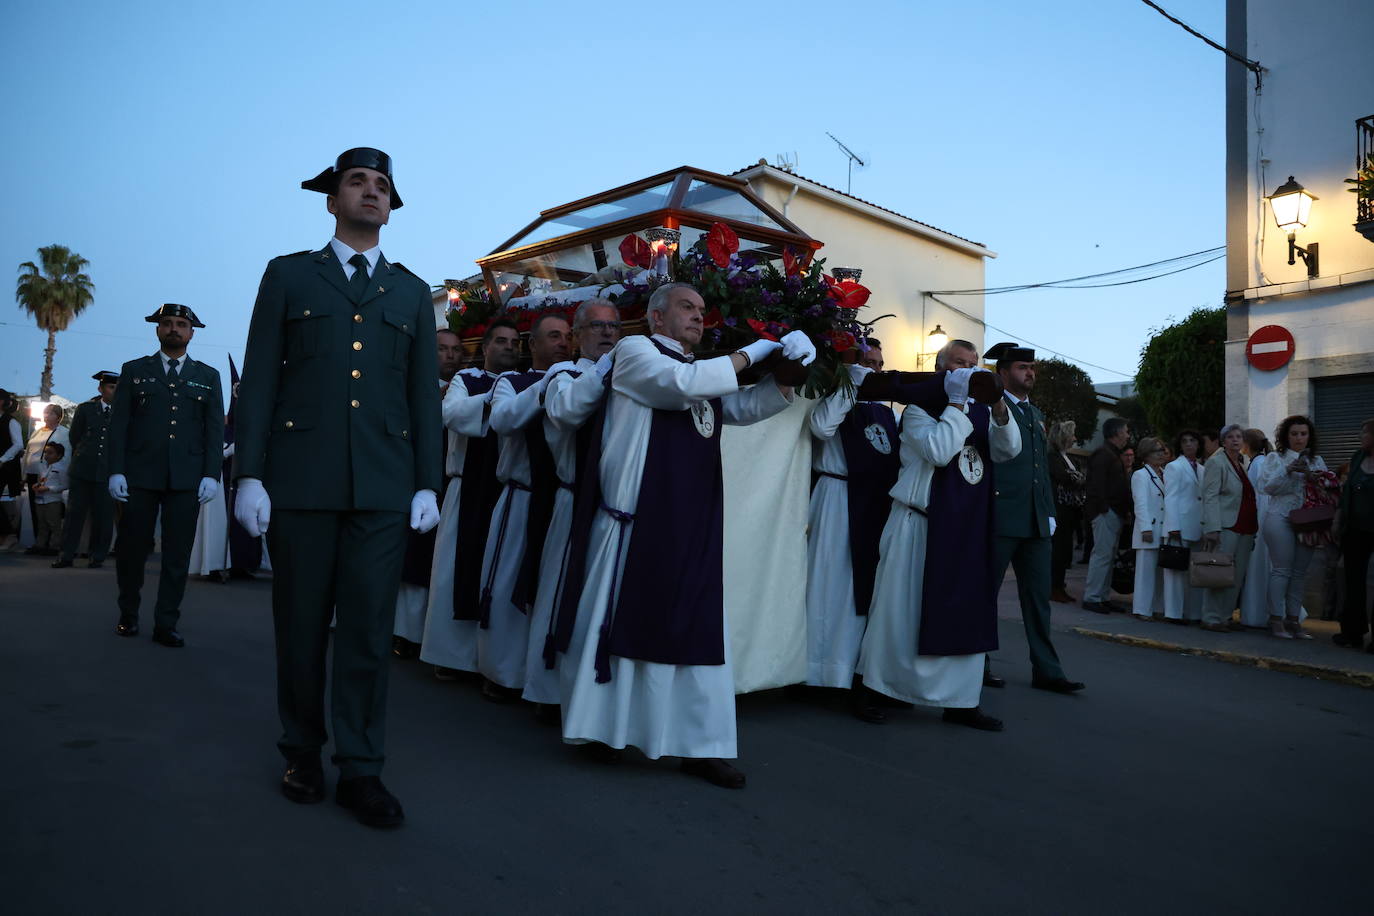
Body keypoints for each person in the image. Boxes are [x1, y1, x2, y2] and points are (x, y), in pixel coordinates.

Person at [232, 148, 441, 829]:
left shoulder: (411, 291)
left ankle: (361, 768)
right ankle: (301, 749)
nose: (372, 193)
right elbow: (260, 377)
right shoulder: (291, 276)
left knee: (366, 632)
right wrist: (252, 474)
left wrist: (426, 482)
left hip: (383, 488)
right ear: (332, 201)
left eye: (382, 186)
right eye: (358, 182)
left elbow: (421, 399)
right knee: (299, 628)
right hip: (301, 482)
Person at [555, 282, 809, 789]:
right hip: (635, 520)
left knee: (697, 628)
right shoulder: (634, 352)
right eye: (686, 307)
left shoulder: (703, 372)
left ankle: (701, 744)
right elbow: (680, 385)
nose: (698, 316)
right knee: (627, 624)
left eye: (701, 310)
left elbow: (737, 408)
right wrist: (752, 350)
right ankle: (610, 731)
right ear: (655, 317)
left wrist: (788, 374)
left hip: (691, 520)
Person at [858, 350, 1020, 730]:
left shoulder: (982, 411)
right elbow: (939, 451)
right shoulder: (918, 410)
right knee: (899, 611)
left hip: (966, 527)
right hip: (918, 523)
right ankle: (875, 688)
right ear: (941, 369)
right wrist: (958, 403)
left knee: (964, 610)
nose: (968, 368)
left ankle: (961, 700)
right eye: (959, 363)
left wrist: (996, 404)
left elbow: (1008, 449)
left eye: (973, 362)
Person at [523, 299, 621, 711]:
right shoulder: (566, 374)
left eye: (613, 328)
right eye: (596, 327)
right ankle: (547, 691)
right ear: (577, 336)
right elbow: (566, 413)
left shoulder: (626, 375)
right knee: (560, 590)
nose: (606, 334)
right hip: (570, 498)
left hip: (612, 506)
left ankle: (592, 694)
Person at [108, 304, 224, 646]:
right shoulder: (134, 370)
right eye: (167, 323)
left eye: (181, 324)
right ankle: (128, 615)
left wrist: (210, 474)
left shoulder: (208, 375)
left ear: (192, 333)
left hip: (187, 478)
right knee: (131, 551)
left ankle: (166, 623)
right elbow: (119, 426)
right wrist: (116, 470)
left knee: (177, 555)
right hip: (140, 475)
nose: (174, 328)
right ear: (158, 330)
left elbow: (214, 429)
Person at [475, 311, 572, 701]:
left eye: (567, 336)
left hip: (561, 498)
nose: (563, 343)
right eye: (553, 336)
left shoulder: (577, 381)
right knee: (505, 587)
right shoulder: (509, 382)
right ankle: (501, 673)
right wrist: (546, 385)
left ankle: (542, 678)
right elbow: (503, 420)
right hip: (523, 495)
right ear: (532, 345)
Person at [804, 342, 902, 720]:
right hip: (836, 499)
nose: (873, 370)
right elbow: (821, 426)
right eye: (865, 363)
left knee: (863, 596)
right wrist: (849, 385)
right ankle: (815, 672)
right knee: (828, 589)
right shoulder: (834, 396)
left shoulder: (886, 412)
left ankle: (853, 675)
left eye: (878, 365)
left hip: (873, 505)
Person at [980, 343, 1084, 693]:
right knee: (985, 595)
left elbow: (1041, 470)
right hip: (1000, 514)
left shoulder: (1036, 414)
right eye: (1023, 367)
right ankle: (977, 663)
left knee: (1038, 598)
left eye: (1032, 368)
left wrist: (1049, 512)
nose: (1030, 373)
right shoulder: (989, 408)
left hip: (1036, 519)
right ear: (1003, 372)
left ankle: (1047, 669)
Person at [421, 319, 519, 680]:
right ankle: (450, 657)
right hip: (466, 487)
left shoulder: (521, 382)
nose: (509, 347)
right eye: (501, 341)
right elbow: (450, 414)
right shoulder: (467, 381)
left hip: (501, 488)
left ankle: (487, 659)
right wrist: (492, 399)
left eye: (514, 342)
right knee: (453, 571)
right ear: (486, 348)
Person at [392, 327, 463, 658]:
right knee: (411, 557)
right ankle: (400, 630)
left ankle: (422, 632)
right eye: (441, 349)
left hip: (448, 479)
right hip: (414, 478)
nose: (450, 356)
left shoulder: (462, 390)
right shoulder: (409, 389)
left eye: (455, 349)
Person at [1258, 415, 1337, 640]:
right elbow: (1266, 488)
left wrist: (1312, 476)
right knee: (1282, 570)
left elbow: (1326, 490)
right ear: (1286, 436)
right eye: (1294, 434)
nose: (1299, 438)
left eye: (1303, 434)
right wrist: (1288, 470)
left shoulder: (1317, 460)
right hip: (1280, 516)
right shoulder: (1275, 457)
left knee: (1300, 573)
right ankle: (1276, 619)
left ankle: (1294, 620)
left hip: (1308, 520)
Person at [54, 372, 119, 569]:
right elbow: (75, 437)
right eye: (110, 387)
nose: (114, 392)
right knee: (74, 515)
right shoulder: (86, 409)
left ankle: (97, 555)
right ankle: (66, 555)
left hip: (106, 473)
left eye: (117, 388)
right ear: (101, 389)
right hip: (82, 470)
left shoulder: (123, 411)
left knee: (103, 517)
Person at [1199, 424, 1256, 632]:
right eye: (1230, 437)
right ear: (1223, 441)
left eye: (1239, 437)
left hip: (1245, 526)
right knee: (1219, 572)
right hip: (1226, 525)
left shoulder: (1241, 462)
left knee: (1236, 575)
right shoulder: (1217, 462)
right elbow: (1210, 496)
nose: (1235, 440)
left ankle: (1225, 616)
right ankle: (1211, 617)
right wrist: (1212, 527)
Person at [1082, 417, 1132, 613]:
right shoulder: (1103, 454)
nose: (1128, 435)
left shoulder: (1109, 454)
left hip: (1112, 511)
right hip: (1106, 512)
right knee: (1102, 555)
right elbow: (1096, 485)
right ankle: (1093, 597)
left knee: (1107, 556)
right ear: (1117, 433)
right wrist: (1104, 509)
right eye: (1126, 431)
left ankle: (1101, 596)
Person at [1334, 419, 1374, 651]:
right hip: (1355, 528)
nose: (1361, 437)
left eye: (1364, 433)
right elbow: (1347, 491)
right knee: (1352, 580)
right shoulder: (1358, 457)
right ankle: (1352, 632)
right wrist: (1338, 518)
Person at [1161, 429, 1206, 624]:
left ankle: (1193, 613)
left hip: (1198, 525)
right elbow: (1170, 497)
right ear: (1180, 445)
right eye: (1185, 441)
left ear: (1198, 444)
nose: (1189, 444)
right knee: (1175, 570)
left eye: (1193, 441)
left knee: (1195, 572)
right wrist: (1172, 525)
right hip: (1179, 523)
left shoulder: (1203, 469)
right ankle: (1173, 613)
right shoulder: (1174, 467)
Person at [1130, 437, 1170, 621]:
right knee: (1145, 573)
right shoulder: (1140, 475)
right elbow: (1141, 504)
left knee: (1160, 573)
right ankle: (1142, 608)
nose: (1161, 454)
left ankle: (1156, 607)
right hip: (1149, 528)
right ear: (1146, 455)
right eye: (1156, 451)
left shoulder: (1165, 473)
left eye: (1162, 450)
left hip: (1163, 529)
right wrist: (1145, 528)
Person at [22, 404, 71, 553]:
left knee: (52, 514)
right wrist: (23, 475)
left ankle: (53, 544)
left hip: (52, 475)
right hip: (33, 475)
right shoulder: (37, 432)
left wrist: (57, 472)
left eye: (49, 413)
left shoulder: (64, 433)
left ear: (58, 416)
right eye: (45, 413)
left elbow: (66, 454)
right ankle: (40, 542)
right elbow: (28, 453)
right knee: (37, 510)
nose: (46, 416)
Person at [1238, 429, 1275, 627]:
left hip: (1258, 523)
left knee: (1257, 567)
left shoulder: (1258, 463)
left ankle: (1256, 614)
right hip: (1260, 521)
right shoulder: (1260, 462)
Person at [1048, 420, 1086, 604]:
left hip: (1070, 510)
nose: (1075, 438)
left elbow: (1077, 478)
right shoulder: (1053, 458)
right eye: (1072, 435)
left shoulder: (1068, 458)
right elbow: (1066, 478)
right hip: (1059, 509)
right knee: (1058, 551)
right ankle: (1053, 587)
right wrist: (1076, 478)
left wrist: (1075, 478)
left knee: (1065, 551)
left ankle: (1059, 585)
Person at [30, 441, 68, 555]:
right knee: (42, 524)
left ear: (59, 455)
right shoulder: (43, 466)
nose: (46, 455)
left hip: (53, 500)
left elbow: (65, 485)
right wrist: (37, 485)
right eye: (46, 452)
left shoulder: (62, 468)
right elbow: (42, 480)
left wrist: (48, 489)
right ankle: (40, 545)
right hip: (40, 499)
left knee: (54, 525)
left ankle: (54, 547)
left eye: (50, 453)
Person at [0, 390, 22, 550]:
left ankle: (9, 534)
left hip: (5, 467)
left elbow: (18, 444)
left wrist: (2, 459)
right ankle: (7, 534)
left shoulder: (11, 422)